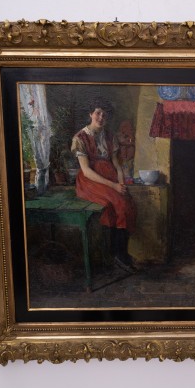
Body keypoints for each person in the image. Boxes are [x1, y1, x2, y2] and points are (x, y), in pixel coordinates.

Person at [71, 100, 137, 274]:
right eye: (98, 113)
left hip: (111, 177)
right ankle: (117, 254)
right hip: (91, 181)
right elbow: (86, 171)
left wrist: (121, 183)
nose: (101, 117)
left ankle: (119, 252)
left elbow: (117, 164)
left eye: (104, 115)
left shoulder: (109, 136)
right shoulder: (80, 138)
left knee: (128, 204)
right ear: (90, 114)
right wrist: (114, 186)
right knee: (118, 204)